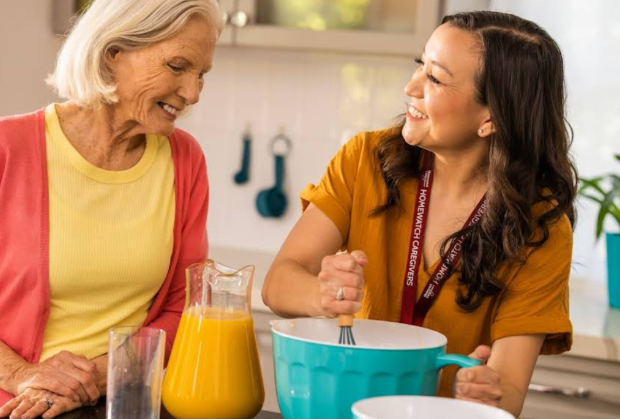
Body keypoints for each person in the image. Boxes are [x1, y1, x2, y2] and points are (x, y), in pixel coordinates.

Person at [262, 10, 577, 418]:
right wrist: (321, 294)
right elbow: (277, 284)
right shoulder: (364, 160)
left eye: (435, 78)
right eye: (419, 66)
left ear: (491, 118)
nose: (410, 86)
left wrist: (485, 394)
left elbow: (509, 390)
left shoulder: (540, 225)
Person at [0, 0, 223, 417]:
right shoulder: (8, 148)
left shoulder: (185, 160)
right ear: (112, 53)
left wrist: (96, 378)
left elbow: (185, 306)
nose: (193, 93)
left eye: (202, 74)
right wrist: (19, 374)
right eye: (178, 66)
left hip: (124, 403)